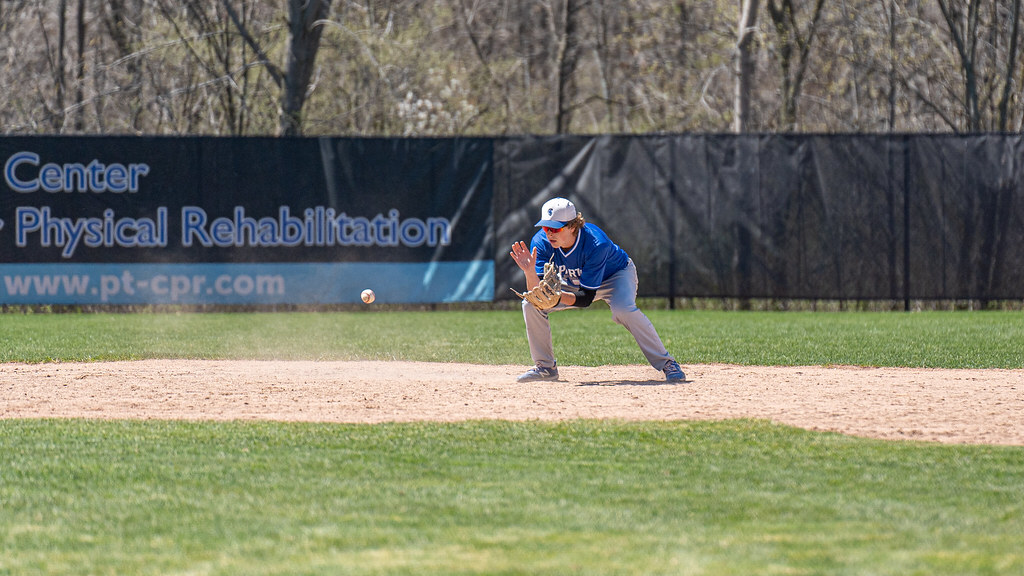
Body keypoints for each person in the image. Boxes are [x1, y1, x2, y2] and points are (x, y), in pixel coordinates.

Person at [509, 197, 686, 383]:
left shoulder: (596, 243)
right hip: (575, 282)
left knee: (623, 310)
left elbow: (586, 298)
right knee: (530, 305)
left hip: (614, 276)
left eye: (555, 229)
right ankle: (545, 367)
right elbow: (538, 294)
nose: (549, 234)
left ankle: (667, 363)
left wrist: (558, 296)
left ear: (572, 226)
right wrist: (529, 272)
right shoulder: (541, 242)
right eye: (546, 228)